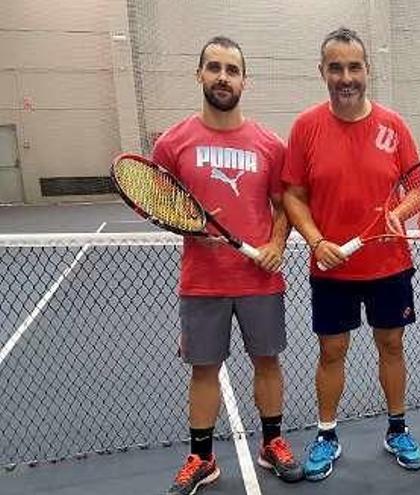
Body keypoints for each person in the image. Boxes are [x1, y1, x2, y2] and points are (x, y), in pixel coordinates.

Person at [152, 36, 302, 495]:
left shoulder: (269, 145)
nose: (222, 77)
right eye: (214, 67)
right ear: (199, 74)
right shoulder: (172, 143)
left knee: (267, 362)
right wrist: (181, 223)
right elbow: (159, 200)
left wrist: (277, 241)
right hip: (202, 281)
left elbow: (286, 205)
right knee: (203, 369)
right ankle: (202, 457)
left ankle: (272, 443)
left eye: (231, 69)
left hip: (260, 277)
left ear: (244, 80)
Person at [282, 27, 420, 481]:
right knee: (332, 351)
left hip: (388, 264)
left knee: (392, 344)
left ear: (368, 70)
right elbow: (293, 195)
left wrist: (400, 211)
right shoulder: (305, 127)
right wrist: (315, 240)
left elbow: (416, 187)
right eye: (336, 67)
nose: (346, 76)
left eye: (354, 67)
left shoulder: (394, 124)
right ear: (322, 71)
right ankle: (326, 435)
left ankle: (397, 428)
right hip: (331, 267)